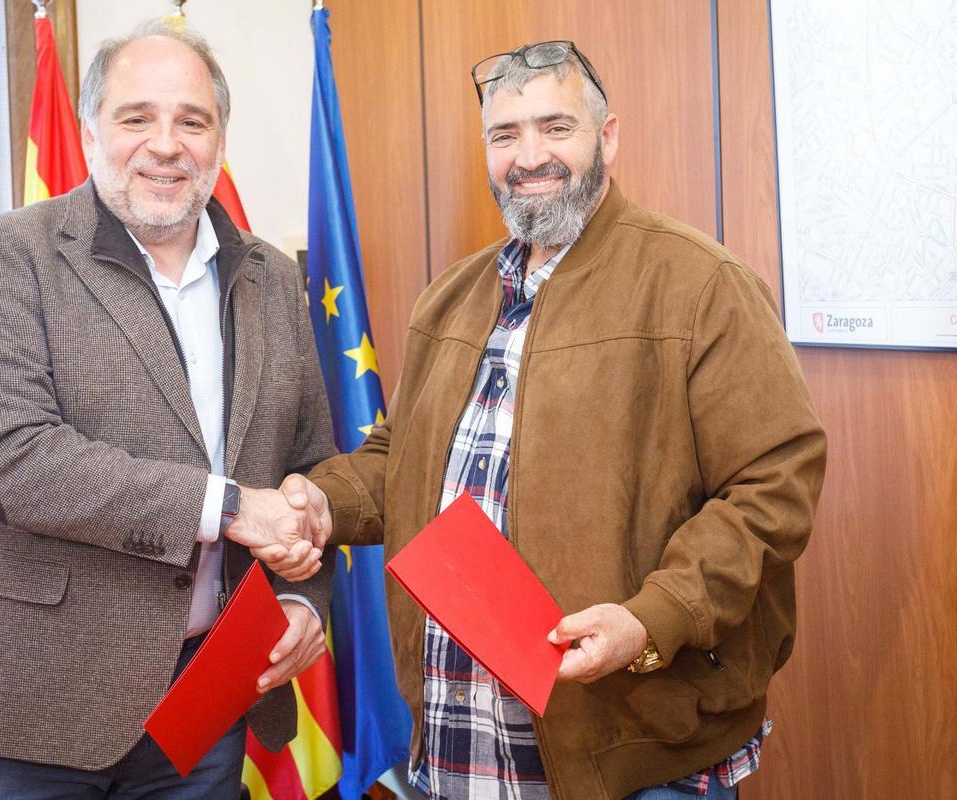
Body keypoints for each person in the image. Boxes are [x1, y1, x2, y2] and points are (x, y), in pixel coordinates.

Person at [287, 40, 826, 799]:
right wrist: (322, 502)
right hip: (454, 746)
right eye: (504, 135)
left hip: (632, 751)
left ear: (608, 138)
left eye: (555, 128)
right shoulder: (451, 296)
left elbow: (776, 484)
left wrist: (652, 619)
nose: (529, 155)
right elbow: (397, 461)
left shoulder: (703, 285)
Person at [0, 20, 335, 798]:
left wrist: (305, 599)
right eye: (137, 117)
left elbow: (310, 464)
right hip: (36, 696)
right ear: (90, 130)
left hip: (205, 699)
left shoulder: (270, 275)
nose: (166, 144)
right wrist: (232, 508)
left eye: (191, 121)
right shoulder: (6, 254)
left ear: (218, 139)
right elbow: (13, 463)